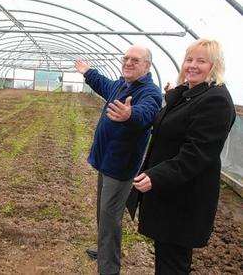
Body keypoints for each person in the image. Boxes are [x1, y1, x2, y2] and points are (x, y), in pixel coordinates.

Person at [130, 39, 236, 274]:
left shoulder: (215, 100)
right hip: (170, 193)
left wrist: (156, 175)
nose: (192, 65)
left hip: (184, 200)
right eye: (189, 59)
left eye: (201, 61)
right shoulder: (188, 94)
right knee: (166, 257)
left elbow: (197, 153)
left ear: (215, 65)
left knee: (173, 263)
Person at [75, 45, 162, 275]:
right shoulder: (121, 85)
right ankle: (105, 251)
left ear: (147, 65)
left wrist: (129, 115)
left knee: (110, 218)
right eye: (126, 58)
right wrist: (87, 72)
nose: (128, 62)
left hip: (121, 167)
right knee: (102, 214)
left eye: (135, 59)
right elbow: (102, 83)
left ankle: (109, 269)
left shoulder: (150, 92)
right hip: (106, 162)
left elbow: (146, 113)